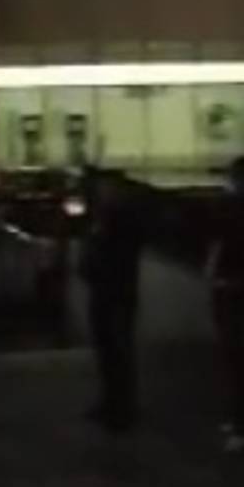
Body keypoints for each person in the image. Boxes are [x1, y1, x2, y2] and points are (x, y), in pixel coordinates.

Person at [206, 156, 244, 455]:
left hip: (233, 288)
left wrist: (231, 279)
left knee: (236, 357)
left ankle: (243, 424)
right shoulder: (238, 209)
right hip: (227, 286)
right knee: (231, 357)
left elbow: (239, 248)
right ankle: (238, 418)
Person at [79, 169, 144, 433]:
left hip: (117, 294)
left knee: (119, 352)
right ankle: (110, 401)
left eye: (107, 189)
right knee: (106, 351)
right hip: (102, 292)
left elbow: (119, 257)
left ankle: (123, 407)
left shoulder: (123, 221)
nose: (103, 193)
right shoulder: (100, 216)